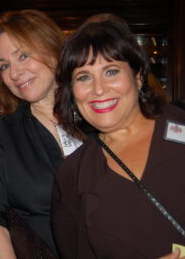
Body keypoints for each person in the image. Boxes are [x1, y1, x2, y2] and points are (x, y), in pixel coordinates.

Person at [52, 20, 185, 258]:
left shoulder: (179, 127)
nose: (99, 89)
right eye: (83, 77)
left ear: (138, 77)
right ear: (72, 92)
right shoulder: (72, 176)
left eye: (111, 71)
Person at [0, 10, 82, 258]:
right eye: (4, 66)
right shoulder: (2, 132)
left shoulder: (95, 116)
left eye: (23, 56)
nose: (14, 73)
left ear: (53, 49)